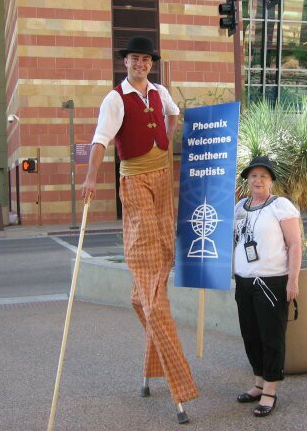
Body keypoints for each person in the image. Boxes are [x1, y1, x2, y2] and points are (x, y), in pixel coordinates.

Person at [81, 36, 198, 420]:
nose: (140, 64)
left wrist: (165, 137)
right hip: (134, 179)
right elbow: (100, 141)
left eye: (145, 60)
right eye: (135, 59)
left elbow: (173, 114)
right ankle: (177, 381)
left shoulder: (160, 92)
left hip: (162, 176)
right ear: (126, 62)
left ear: (150, 63)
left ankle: (151, 361)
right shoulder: (115, 99)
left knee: (163, 251)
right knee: (147, 257)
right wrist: (90, 178)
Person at [233, 156, 302, 418]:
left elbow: (294, 245)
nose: (258, 180)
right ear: (247, 180)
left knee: (271, 337)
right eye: (253, 176)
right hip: (244, 282)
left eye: (263, 176)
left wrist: (293, 280)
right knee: (250, 335)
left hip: (271, 282)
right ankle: (259, 382)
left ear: (271, 180)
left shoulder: (280, 206)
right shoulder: (240, 207)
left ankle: (270, 390)